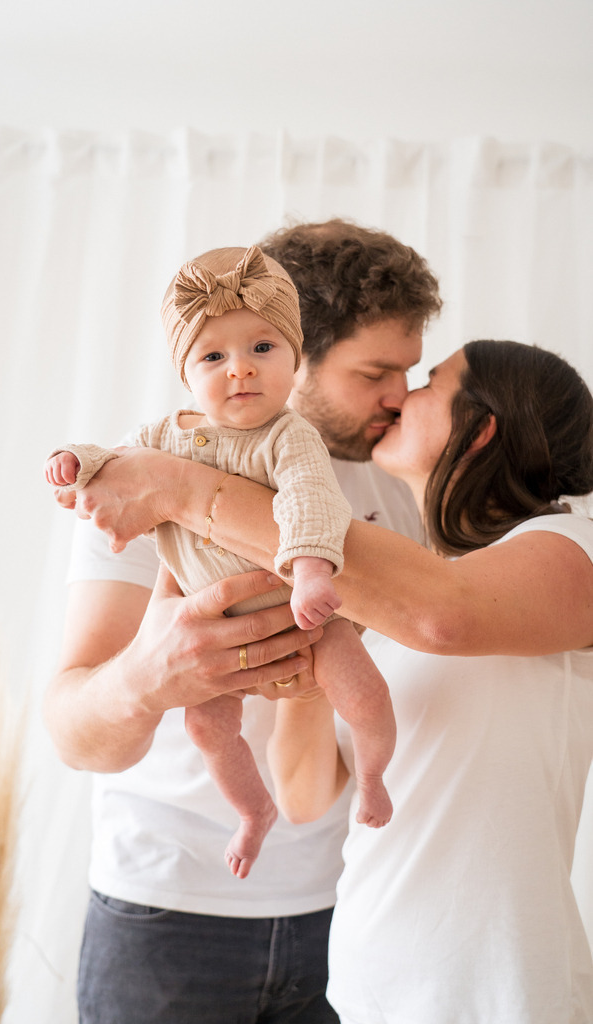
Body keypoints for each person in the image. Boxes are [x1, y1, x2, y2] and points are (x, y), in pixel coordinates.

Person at [88, 339, 593, 1023]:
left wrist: (178, 486)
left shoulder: (572, 545)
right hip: (366, 985)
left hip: (499, 991)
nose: (398, 395)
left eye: (427, 383)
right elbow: (301, 790)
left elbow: (444, 617)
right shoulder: (390, 590)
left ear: (480, 427)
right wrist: (308, 646)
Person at [45, 220, 442, 1023]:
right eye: (376, 372)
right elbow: (73, 732)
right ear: (298, 358)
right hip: (164, 914)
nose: (400, 396)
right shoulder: (144, 475)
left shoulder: (401, 500)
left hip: (341, 914)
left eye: (407, 370)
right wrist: (145, 679)